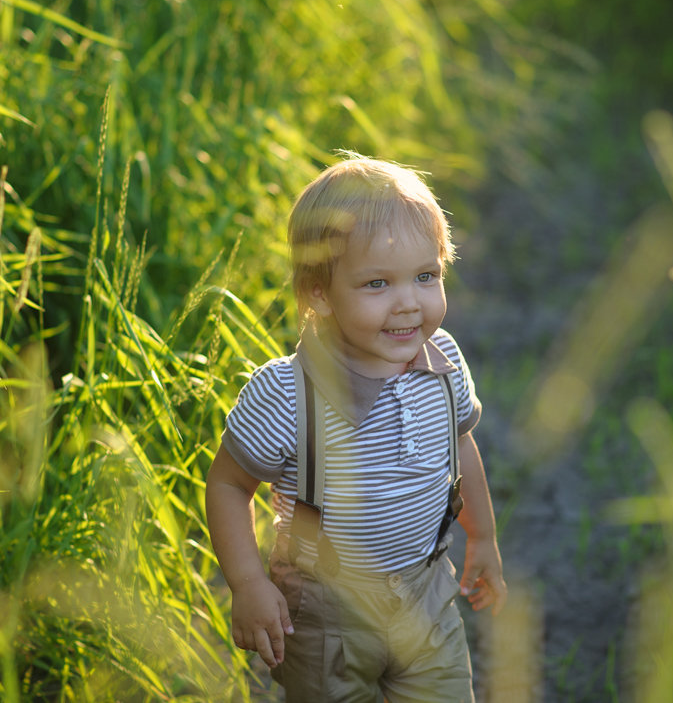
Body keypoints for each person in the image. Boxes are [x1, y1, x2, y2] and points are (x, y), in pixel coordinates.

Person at [205, 154, 507, 702]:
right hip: (326, 614)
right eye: (376, 284)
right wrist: (247, 583)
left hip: (426, 592)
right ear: (320, 292)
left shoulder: (442, 362)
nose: (408, 303)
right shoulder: (287, 394)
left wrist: (482, 536)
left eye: (425, 276)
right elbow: (228, 485)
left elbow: (460, 445)